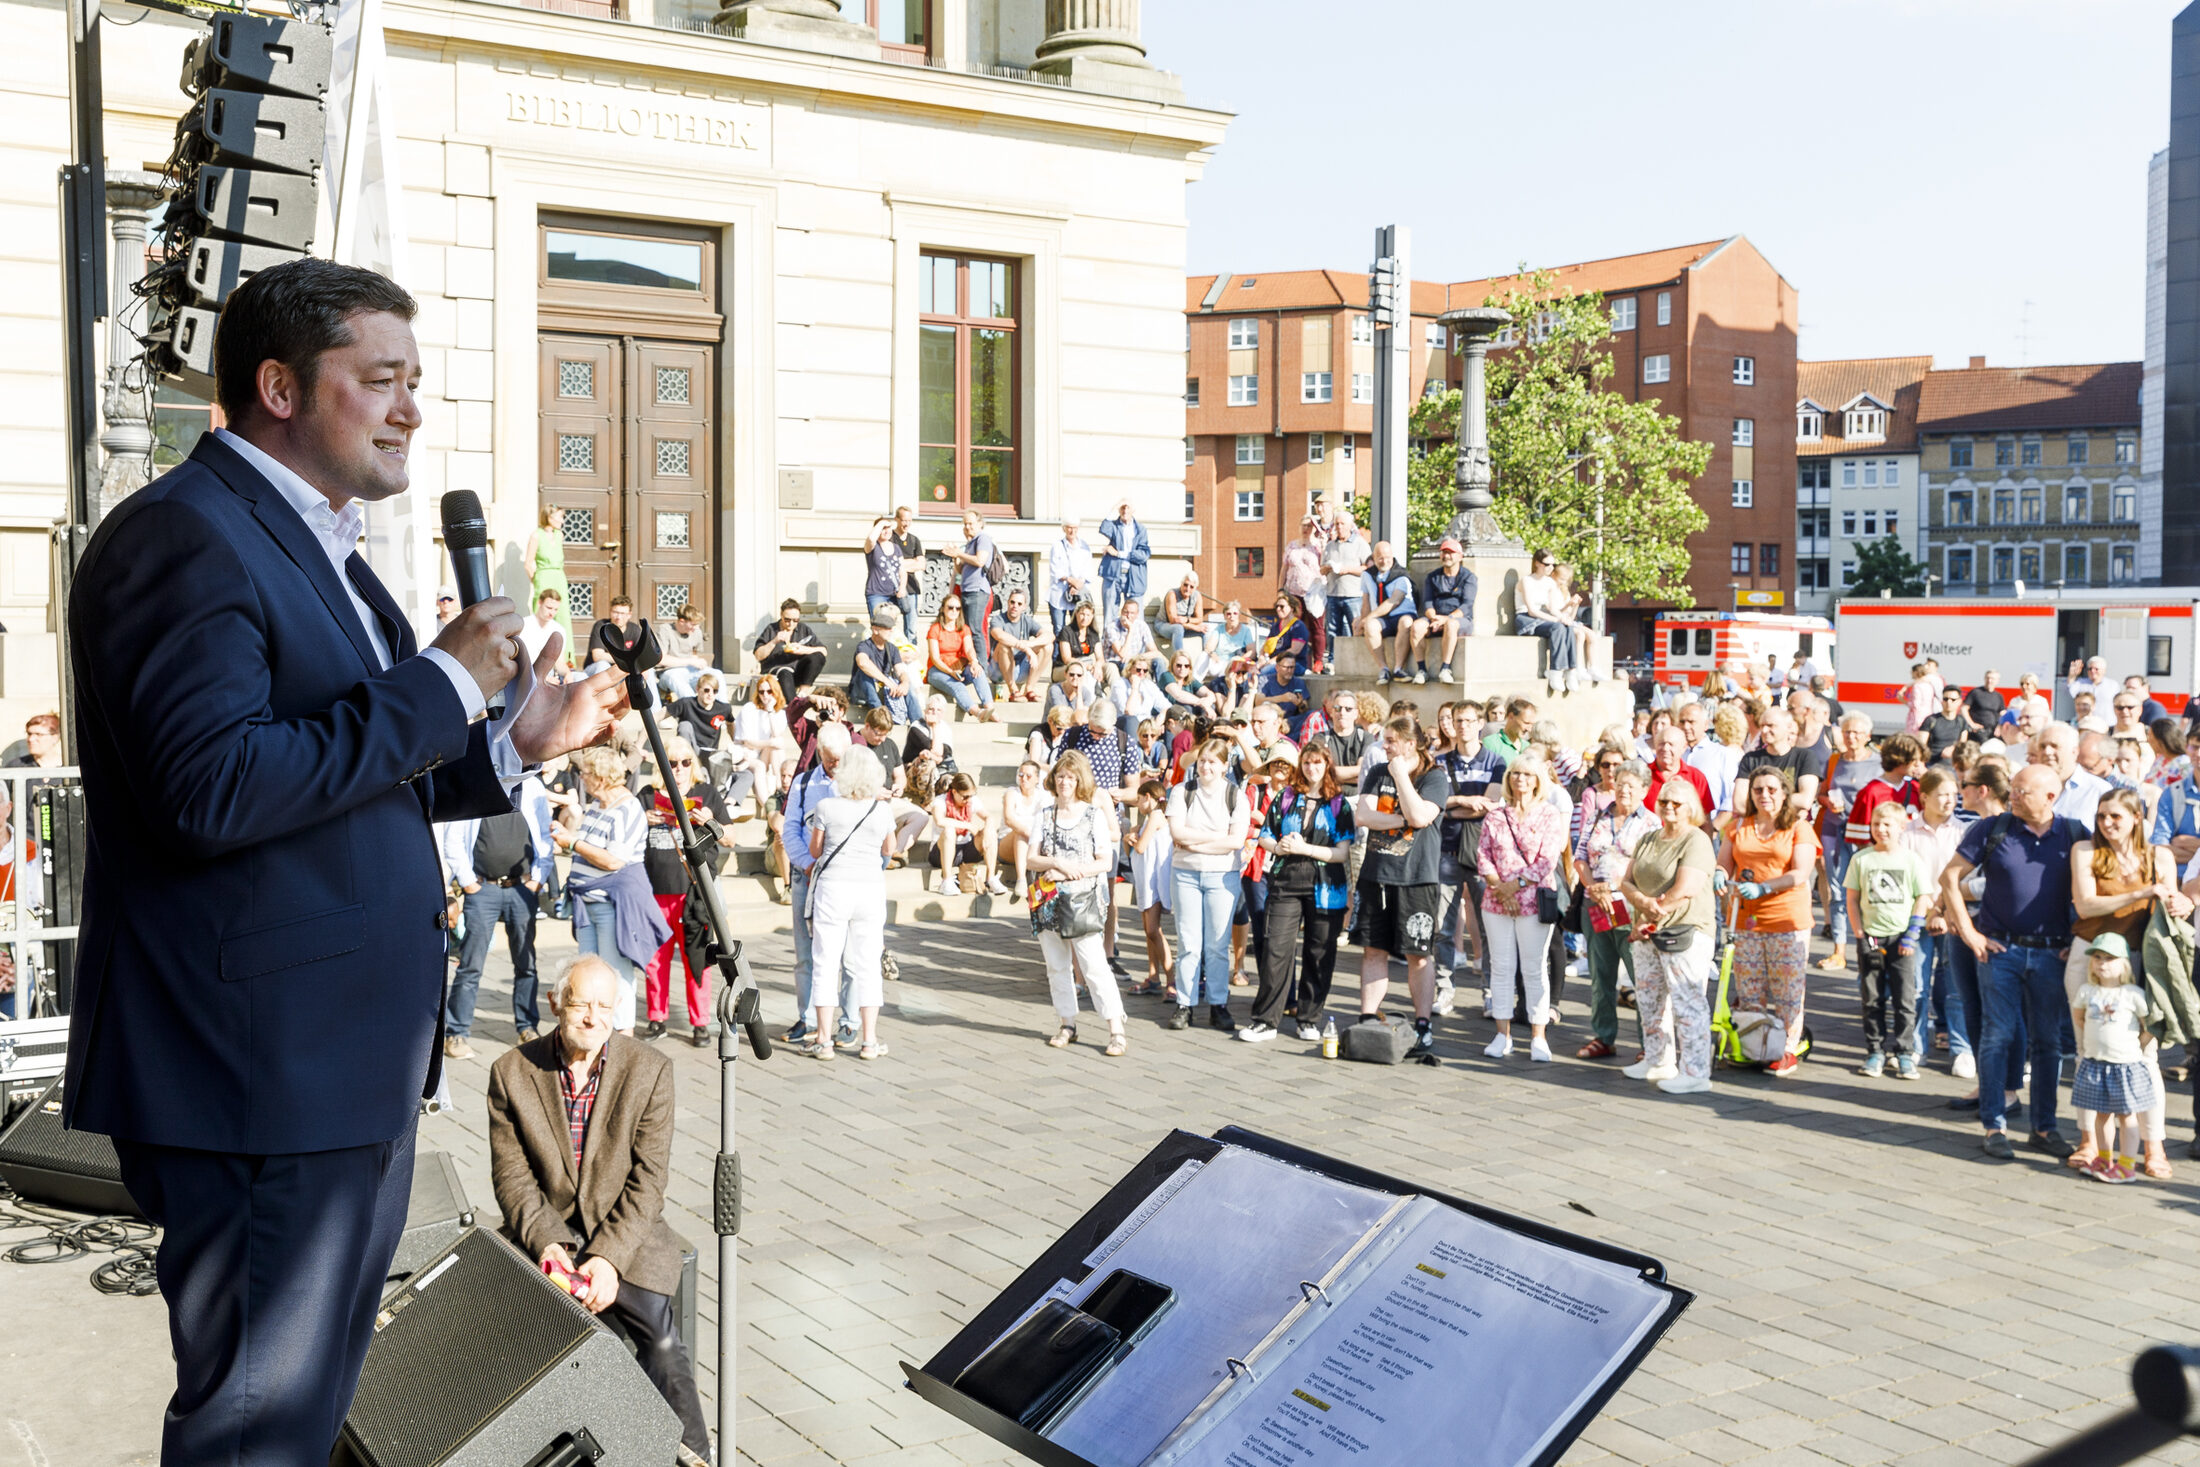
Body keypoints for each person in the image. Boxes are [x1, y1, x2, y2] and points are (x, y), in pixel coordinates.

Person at [62, 258, 627, 1464]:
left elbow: (345, 774)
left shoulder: (323, 543)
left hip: (335, 1070)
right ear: (278, 386)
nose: (411, 409)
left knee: (304, 1422)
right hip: (258, 1072)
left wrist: (509, 744)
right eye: (380, 380)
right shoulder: (182, 536)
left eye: (414, 381)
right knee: (257, 1432)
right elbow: (210, 788)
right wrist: (439, 682)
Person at [485, 957, 713, 1465]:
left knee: (660, 1343)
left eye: (604, 1006)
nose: (593, 1017)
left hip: (624, 1233)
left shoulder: (650, 1070)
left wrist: (608, 1259)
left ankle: (691, 1453)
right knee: (503, 1333)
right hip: (546, 1231)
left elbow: (649, 1181)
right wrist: (549, 1246)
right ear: (555, 1004)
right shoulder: (511, 1073)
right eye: (581, 1003)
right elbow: (513, 1178)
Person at [1940, 763, 2088, 1161]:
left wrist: (2076, 938)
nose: (2014, 796)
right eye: (2015, 789)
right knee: (1997, 1036)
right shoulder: (1994, 828)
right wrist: (1968, 931)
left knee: (2047, 1043)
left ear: (2050, 797)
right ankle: (1994, 1124)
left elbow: (2093, 889)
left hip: (2051, 953)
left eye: (2023, 791)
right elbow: (1950, 877)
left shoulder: (2074, 834)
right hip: (1999, 950)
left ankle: (2044, 1128)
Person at [2067, 786, 2185, 1179]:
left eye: (2116, 816)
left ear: (2137, 818)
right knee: (2089, 1052)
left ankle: (2153, 1147)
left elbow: (2173, 907)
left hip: (2141, 961)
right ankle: (2090, 1142)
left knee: (2145, 1056)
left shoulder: (2159, 856)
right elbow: (2086, 904)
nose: (2106, 823)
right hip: (2091, 957)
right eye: (2102, 815)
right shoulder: (2086, 851)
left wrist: (2173, 898)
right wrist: (2143, 891)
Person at [438, 776, 559, 1057]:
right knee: (470, 965)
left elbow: (543, 834)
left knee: (526, 964)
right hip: (484, 889)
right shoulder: (477, 780)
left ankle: (527, 1027)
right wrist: (469, 883)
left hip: (521, 888)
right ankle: (456, 1033)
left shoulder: (532, 786)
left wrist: (537, 881)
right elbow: (453, 837)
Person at [1241, 744, 1354, 1043]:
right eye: (1306, 762)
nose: (1311, 768)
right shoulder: (1287, 796)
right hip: (1285, 881)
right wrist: (1277, 847)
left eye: (1317, 763)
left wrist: (1306, 849)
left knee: (1319, 954)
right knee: (1276, 949)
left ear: (1326, 765)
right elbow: (1265, 834)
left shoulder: (1338, 803)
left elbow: (1342, 853)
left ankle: (1308, 1018)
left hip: (1326, 888)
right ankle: (1266, 1020)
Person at [1354, 714, 1450, 1053]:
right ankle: (1367, 1017)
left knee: (1418, 955)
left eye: (1392, 740)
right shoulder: (1378, 772)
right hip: (1376, 876)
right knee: (1373, 949)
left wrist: (1401, 779)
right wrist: (1403, 819)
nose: (1385, 746)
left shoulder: (1434, 777)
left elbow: (1423, 816)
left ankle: (1423, 1023)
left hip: (1416, 879)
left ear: (1410, 744)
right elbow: (1364, 815)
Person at [555, 742, 665, 1034]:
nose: (581, 777)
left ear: (601, 777)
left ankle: (622, 1036)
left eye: (585, 772)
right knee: (589, 976)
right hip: (587, 905)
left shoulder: (627, 809)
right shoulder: (597, 805)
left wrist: (572, 842)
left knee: (615, 975)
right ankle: (596, 1033)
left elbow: (614, 861)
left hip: (610, 907)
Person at [1619, 781, 1718, 1094]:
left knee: (1688, 1002)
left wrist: (1650, 913)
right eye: (1664, 801)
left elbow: (1685, 889)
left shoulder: (1697, 840)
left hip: (1684, 930)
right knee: (1649, 999)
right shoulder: (1648, 838)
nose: (1669, 807)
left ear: (1690, 807)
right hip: (1647, 931)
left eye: (1677, 803)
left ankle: (1696, 1070)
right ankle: (1657, 1058)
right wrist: (1643, 904)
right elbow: (1626, 881)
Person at [1719, 765, 1817, 1074]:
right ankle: (1756, 1043)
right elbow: (1724, 864)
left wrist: (1765, 887)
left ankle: (1787, 1048)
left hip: (1786, 920)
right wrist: (1718, 876)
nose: (1765, 795)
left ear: (1785, 794)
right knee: (1750, 989)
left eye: (1772, 789)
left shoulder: (1798, 828)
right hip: (1745, 920)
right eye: (1758, 789)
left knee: (1788, 990)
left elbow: (1800, 873)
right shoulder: (1738, 826)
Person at [1031, 750, 1129, 1057]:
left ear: (1080, 780)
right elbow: (1032, 857)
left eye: (1071, 777)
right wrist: (1056, 861)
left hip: (1082, 898)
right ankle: (1067, 1023)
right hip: (1048, 900)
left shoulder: (1093, 814)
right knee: (1056, 966)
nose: (1064, 782)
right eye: (1060, 775)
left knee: (1093, 965)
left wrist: (1075, 871)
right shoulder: (1044, 814)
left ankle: (1116, 1029)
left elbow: (1105, 859)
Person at [802, 744, 893, 1061]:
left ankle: (824, 1040)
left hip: (833, 888)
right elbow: (889, 848)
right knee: (868, 964)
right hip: (869, 888)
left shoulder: (827, 806)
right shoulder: (881, 809)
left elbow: (815, 851)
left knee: (826, 962)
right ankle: (869, 1040)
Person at [1476, 752, 1566, 1062]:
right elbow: (1483, 854)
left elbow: (1548, 860)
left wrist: (1515, 886)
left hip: (1533, 901)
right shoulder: (1496, 816)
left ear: (1538, 780)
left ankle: (1538, 1036)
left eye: (1527, 775)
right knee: (1501, 967)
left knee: (1534, 967)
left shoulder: (1549, 815)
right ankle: (1503, 1034)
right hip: (1496, 899)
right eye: (1515, 774)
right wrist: (1500, 888)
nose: (1520, 780)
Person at [1167, 738, 1253, 1032]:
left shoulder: (1235, 796)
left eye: (1213, 762)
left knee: (1217, 945)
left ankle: (1218, 1004)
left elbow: (1236, 841)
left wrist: (1194, 842)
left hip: (1222, 877)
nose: (1206, 766)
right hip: (1185, 874)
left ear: (1225, 766)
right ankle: (1185, 1004)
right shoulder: (1182, 791)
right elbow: (1176, 830)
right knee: (1189, 943)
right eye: (1202, 760)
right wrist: (1216, 838)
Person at [1846, 801, 1932, 1080]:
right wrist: (1858, 932)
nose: (1880, 830)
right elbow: (1852, 898)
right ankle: (1875, 1050)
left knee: (1904, 998)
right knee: (1872, 998)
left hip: (1902, 939)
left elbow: (1923, 897)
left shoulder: (1910, 859)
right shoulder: (1862, 859)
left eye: (1887, 825)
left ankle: (1905, 1052)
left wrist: (1913, 933)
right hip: (1872, 937)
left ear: (1901, 827)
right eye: (1875, 824)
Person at [1578, 758, 1656, 1060]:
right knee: (1601, 971)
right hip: (1597, 903)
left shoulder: (1651, 824)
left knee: (1640, 974)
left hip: (1631, 906)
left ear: (1644, 790)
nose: (1623, 790)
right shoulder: (1597, 817)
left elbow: (1654, 869)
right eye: (1620, 783)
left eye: (1631, 786)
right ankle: (1603, 1035)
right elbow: (1581, 855)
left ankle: (1648, 1042)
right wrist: (1591, 886)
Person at [2068, 935, 2157, 1185]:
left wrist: (2138, 1044)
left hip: (2125, 1066)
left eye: (2109, 958)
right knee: (2101, 1115)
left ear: (2124, 964)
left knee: (2127, 1116)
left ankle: (2126, 1165)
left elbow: (2148, 1025)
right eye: (2097, 957)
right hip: (2096, 1063)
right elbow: (2079, 1017)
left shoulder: (2132, 994)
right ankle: (2104, 1159)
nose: (2102, 963)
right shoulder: (2087, 991)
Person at [1903, 767, 1967, 1072]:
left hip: (1953, 916)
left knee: (1956, 986)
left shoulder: (1962, 832)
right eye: (1942, 795)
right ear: (1924, 796)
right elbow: (1905, 876)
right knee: (1916, 985)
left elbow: (1964, 875)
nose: (1949, 801)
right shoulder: (1908, 833)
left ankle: (1961, 1047)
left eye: (1954, 795)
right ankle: (1914, 1045)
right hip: (1917, 915)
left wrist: (1941, 910)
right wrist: (1927, 909)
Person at [1816, 714, 1884, 973]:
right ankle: (1839, 951)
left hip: (1866, 835)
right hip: (1835, 830)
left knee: (1870, 892)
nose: (1851, 737)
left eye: (1856, 732)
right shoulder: (1835, 761)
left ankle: (1872, 947)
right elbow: (1821, 792)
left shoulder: (1878, 764)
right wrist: (1827, 802)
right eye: (1846, 732)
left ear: (1868, 736)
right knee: (1838, 890)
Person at [1126, 778, 1174, 996]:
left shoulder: (1155, 815)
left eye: (1139, 799)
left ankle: (1171, 978)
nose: (1137, 804)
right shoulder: (1148, 819)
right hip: (1146, 879)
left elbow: (1141, 847)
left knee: (1153, 930)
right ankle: (1153, 975)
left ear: (1148, 797)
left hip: (1154, 881)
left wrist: (1132, 838)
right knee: (1149, 931)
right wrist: (1130, 837)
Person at [942, 509, 1001, 681]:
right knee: (967, 628)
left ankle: (981, 665)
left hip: (977, 590)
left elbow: (980, 561)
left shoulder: (983, 538)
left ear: (980, 524)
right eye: (965, 524)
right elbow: (961, 569)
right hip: (967, 589)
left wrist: (959, 553)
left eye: (971, 523)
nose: (967, 527)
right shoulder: (970, 542)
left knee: (976, 629)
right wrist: (955, 556)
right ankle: (972, 662)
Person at [927, 772, 1009, 896]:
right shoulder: (940, 801)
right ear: (954, 792)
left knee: (990, 831)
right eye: (965, 797)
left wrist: (987, 828)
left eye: (971, 796)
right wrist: (967, 825)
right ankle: (946, 881)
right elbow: (939, 820)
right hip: (941, 851)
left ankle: (990, 879)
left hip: (965, 848)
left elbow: (988, 816)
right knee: (949, 830)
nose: (968, 800)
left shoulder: (972, 801)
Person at [925, 594, 1002, 722]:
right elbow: (935, 659)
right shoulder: (935, 629)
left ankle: (989, 708)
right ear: (943, 609)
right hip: (938, 671)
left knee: (978, 671)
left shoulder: (963, 629)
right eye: (950, 607)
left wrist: (974, 662)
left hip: (959, 669)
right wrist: (950, 672)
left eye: (958, 608)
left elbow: (969, 649)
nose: (954, 611)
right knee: (958, 686)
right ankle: (978, 713)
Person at [1516, 548, 1580, 695]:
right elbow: (1532, 610)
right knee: (1558, 627)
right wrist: (1557, 619)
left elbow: (1552, 608)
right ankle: (1555, 670)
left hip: (1544, 617)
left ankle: (1571, 670)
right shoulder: (1527, 581)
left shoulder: (1549, 583)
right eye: (1547, 564)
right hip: (1526, 618)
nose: (1550, 568)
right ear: (1537, 563)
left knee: (1566, 627)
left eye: (1553, 564)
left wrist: (1564, 617)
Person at [1359, 540, 1421, 683]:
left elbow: (1393, 601)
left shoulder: (1402, 576)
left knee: (1406, 622)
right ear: (1373, 558)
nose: (1384, 561)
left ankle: (1398, 669)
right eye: (1380, 557)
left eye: (1388, 557)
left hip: (1401, 614)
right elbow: (1366, 600)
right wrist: (1363, 622)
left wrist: (1369, 617)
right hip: (1383, 620)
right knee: (1370, 626)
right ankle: (1384, 669)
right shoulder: (1367, 575)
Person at [1417, 537, 1476, 685]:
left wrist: (1446, 618)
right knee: (1416, 626)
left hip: (1460, 620)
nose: (1446, 556)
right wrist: (1434, 618)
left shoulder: (1468, 577)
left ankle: (1445, 668)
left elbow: (1466, 606)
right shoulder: (1433, 577)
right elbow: (1427, 602)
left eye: (1451, 553)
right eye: (1444, 552)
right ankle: (1421, 669)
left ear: (1460, 556)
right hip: (1435, 618)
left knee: (1451, 624)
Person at [1320, 511, 1370, 674]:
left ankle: (1354, 660)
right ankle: (1333, 661)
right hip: (1333, 593)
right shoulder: (1330, 545)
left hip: (1353, 594)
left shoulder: (1360, 544)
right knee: (1332, 629)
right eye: (1337, 524)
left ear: (1350, 525)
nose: (1339, 527)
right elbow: (1321, 570)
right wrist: (1328, 568)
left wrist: (1347, 569)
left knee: (1353, 628)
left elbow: (1368, 568)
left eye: (1342, 524)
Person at [734, 675, 795, 806]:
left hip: (762, 753)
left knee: (775, 744)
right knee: (764, 760)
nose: (765, 696)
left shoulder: (779, 713)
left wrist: (770, 711)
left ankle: (780, 786)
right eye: (761, 692)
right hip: (746, 753)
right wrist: (771, 743)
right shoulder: (749, 708)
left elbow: (776, 734)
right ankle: (767, 804)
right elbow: (747, 742)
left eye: (769, 691)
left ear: (775, 692)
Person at [1280, 515, 1329, 676]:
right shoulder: (1292, 546)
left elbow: (1325, 565)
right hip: (1294, 592)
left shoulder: (1318, 546)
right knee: (1296, 627)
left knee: (1317, 627)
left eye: (1309, 526)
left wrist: (1324, 544)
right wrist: (1280, 589)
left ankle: (1318, 661)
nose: (1306, 529)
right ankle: (1297, 660)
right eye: (1303, 525)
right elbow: (1284, 568)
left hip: (1314, 592)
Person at [753, 598, 828, 702]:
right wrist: (774, 641)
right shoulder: (771, 629)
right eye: (787, 620)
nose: (791, 624)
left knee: (817, 656)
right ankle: (793, 706)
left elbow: (824, 651)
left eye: (795, 620)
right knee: (784, 672)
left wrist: (803, 649)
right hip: (777, 672)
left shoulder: (803, 629)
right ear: (781, 615)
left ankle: (803, 692)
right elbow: (758, 655)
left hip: (797, 672)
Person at [524, 503, 573, 660]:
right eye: (560, 517)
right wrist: (536, 580)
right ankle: (538, 657)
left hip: (559, 576)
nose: (562, 521)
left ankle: (567, 659)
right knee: (541, 614)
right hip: (543, 576)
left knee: (563, 616)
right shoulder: (536, 535)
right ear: (549, 517)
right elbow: (528, 564)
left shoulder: (560, 535)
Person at [987, 585, 1053, 703]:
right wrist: (1026, 649)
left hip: (1021, 668)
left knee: (1048, 647)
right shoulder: (998, 619)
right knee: (1003, 645)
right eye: (1012, 602)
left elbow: (1050, 636)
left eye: (1019, 604)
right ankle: (1013, 691)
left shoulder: (1026, 620)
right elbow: (998, 635)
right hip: (998, 671)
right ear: (1007, 602)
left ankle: (1029, 690)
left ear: (1024, 607)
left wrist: (1031, 643)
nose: (1015, 606)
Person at [863, 506, 921, 630]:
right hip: (876, 594)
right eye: (883, 529)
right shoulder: (873, 547)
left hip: (893, 594)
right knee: (879, 626)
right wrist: (882, 523)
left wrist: (902, 588)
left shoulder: (896, 548)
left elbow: (902, 571)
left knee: (891, 628)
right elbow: (870, 539)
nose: (886, 531)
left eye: (888, 528)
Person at [1096, 497, 1150, 625]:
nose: (1125, 510)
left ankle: (1135, 644)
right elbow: (1104, 528)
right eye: (1122, 507)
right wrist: (1114, 508)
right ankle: (1109, 644)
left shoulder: (1140, 529)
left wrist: (1119, 553)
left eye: (1127, 507)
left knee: (1135, 616)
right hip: (1113, 574)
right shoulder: (1114, 526)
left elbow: (1143, 555)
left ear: (1133, 510)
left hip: (1134, 577)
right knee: (1110, 614)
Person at [655, 606, 722, 703]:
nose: (696, 628)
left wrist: (699, 662)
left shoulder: (696, 632)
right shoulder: (665, 630)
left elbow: (695, 655)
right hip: (668, 671)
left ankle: (721, 711)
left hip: (690, 670)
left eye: (697, 625)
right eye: (693, 624)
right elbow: (661, 659)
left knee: (717, 674)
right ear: (681, 621)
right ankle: (693, 710)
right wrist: (690, 661)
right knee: (677, 680)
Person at [1000, 759, 1047, 897]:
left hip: (1032, 844)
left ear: (1037, 779)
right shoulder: (1011, 793)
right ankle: (1021, 879)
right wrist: (1030, 834)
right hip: (1007, 843)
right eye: (1021, 775)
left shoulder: (1043, 796)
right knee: (1019, 833)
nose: (1024, 779)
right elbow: (1009, 819)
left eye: (1028, 776)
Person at [1047, 519, 1099, 638]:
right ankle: (1058, 656)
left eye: (1075, 528)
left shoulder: (1084, 546)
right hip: (1059, 593)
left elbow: (1087, 570)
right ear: (1064, 528)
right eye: (1069, 527)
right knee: (1058, 628)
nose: (1072, 531)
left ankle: (1073, 654)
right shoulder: (1057, 546)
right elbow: (1055, 570)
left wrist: (1078, 585)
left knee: (1077, 626)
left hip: (1077, 593)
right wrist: (1071, 581)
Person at [1161, 570, 1209, 663]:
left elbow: (1200, 619)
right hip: (1164, 625)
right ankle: (1180, 660)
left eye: (1191, 587)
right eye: (1185, 585)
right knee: (1178, 628)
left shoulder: (1197, 596)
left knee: (1205, 629)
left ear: (1195, 588)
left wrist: (1187, 620)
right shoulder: (1172, 594)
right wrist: (1193, 626)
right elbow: (1173, 620)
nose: (1187, 589)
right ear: (1181, 583)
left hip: (1184, 626)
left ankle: (1206, 661)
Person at [1056, 598, 1105, 683]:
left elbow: (1100, 657)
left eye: (1088, 615)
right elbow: (1067, 659)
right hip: (1065, 668)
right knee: (1081, 671)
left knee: (1110, 668)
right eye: (1082, 614)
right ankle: (1093, 694)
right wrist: (1087, 667)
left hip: (1088, 666)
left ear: (1092, 616)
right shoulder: (1066, 631)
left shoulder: (1094, 633)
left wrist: (1097, 666)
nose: (1085, 618)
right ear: (1076, 614)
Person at [518, 588, 565, 672]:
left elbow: (560, 663)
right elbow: (520, 660)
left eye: (555, 609)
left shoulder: (559, 629)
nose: (552, 613)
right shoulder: (524, 625)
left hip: (551, 674)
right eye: (549, 608)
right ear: (539, 603)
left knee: (580, 677)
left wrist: (568, 674)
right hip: (527, 672)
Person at [588, 594, 641, 668]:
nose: (618, 617)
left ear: (629, 615)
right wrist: (627, 658)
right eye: (615, 612)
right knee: (603, 665)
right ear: (610, 611)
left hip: (624, 669)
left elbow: (640, 655)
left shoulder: (635, 629)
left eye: (622, 613)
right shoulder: (601, 626)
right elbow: (597, 656)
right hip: (597, 670)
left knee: (648, 669)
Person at [1920, 687, 1969, 764]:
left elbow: (1962, 745)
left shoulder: (1962, 721)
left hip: (1953, 767)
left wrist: (1953, 748)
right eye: (1946, 699)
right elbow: (1920, 746)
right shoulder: (1931, 720)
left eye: (1953, 700)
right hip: (1931, 765)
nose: (1949, 702)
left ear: (1959, 702)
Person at [1963, 670, 2006, 738]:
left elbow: (2003, 713)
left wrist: (2000, 726)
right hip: (1977, 732)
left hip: (1993, 732)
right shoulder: (1975, 692)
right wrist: (1971, 724)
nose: (1989, 680)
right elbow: (1964, 709)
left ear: (1997, 681)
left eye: (1992, 678)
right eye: (1987, 678)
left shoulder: (1999, 696)